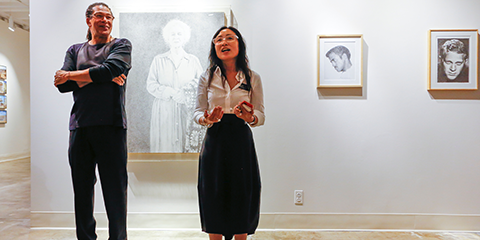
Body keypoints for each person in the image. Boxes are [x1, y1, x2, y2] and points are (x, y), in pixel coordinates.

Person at [53, 2, 132, 240]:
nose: (106, 20)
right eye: (100, 16)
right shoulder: (74, 49)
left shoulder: (121, 44)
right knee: (82, 191)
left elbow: (113, 68)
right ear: (88, 20)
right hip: (80, 128)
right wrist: (102, 75)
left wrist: (72, 74)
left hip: (112, 126)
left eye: (109, 17)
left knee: (115, 192)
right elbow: (61, 86)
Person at [194, 26, 265, 240]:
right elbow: (197, 112)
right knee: (213, 191)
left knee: (241, 190)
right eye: (218, 40)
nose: (223, 43)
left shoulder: (252, 77)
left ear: (239, 44)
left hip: (241, 139)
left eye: (229, 38)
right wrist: (207, 118)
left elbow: (260, 114)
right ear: (214, 47)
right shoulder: (207, 77)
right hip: (214, 138)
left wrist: (249, 117)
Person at [146, 19, 204, 153]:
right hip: (164, 111)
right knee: (165, 147)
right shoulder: (158, 60)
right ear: (167, 37)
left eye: (179, 34)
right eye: (173, 34)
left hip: (186, 110)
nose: (176, 37)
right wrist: (171, 92)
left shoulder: (193, 60)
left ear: (184, 37)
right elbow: (150, 85)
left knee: (186, 147)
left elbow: (202, 86)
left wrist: (185, 94)